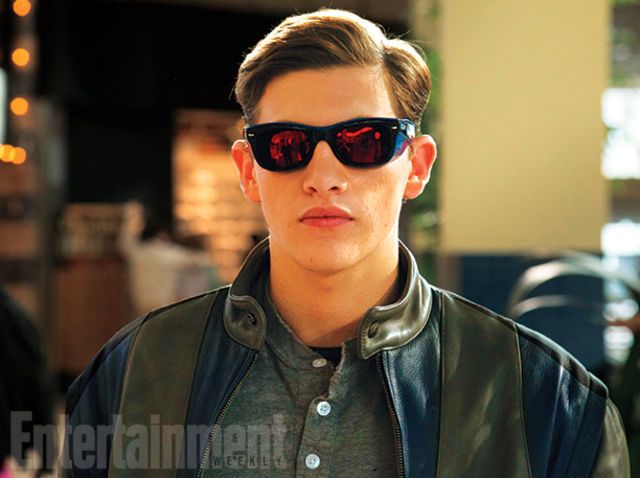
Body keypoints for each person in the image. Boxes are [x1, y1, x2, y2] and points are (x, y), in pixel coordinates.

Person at [60, 8, 629, 477]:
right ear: (250, 170)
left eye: (364, 141)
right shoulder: (136, 372)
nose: (324, 176)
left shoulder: (547, 401)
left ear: (416, 166)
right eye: (286, 144)